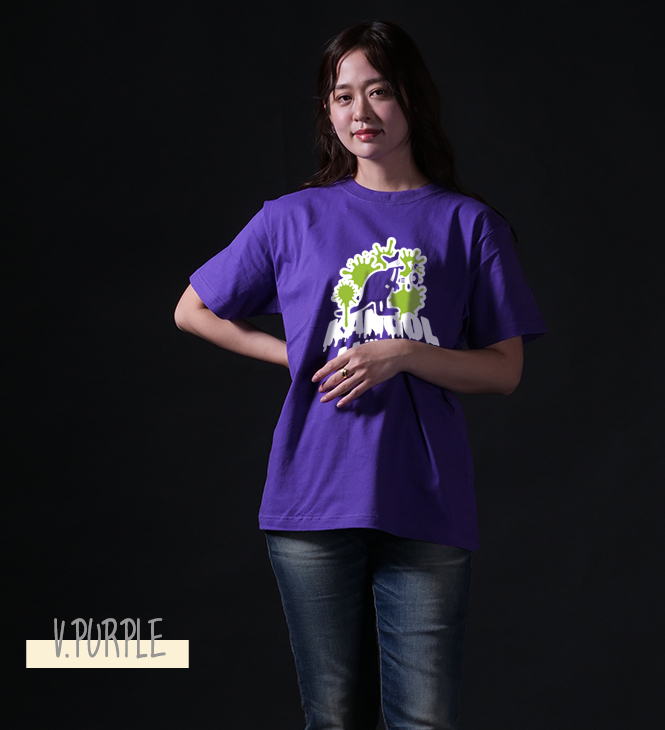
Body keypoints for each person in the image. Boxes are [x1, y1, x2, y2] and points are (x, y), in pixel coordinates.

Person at [175, 19, 546, 730]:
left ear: (413, 98)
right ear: (328, 111)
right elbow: (191, 309)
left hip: (426, 501)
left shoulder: (469, 225)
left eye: (379, 91)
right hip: (313, 499)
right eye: (343, 96)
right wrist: (292, 354)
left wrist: (403, 353)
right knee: (335, 718)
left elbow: (505, 371)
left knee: (424, 720)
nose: (360, 111)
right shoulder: (292, 218)